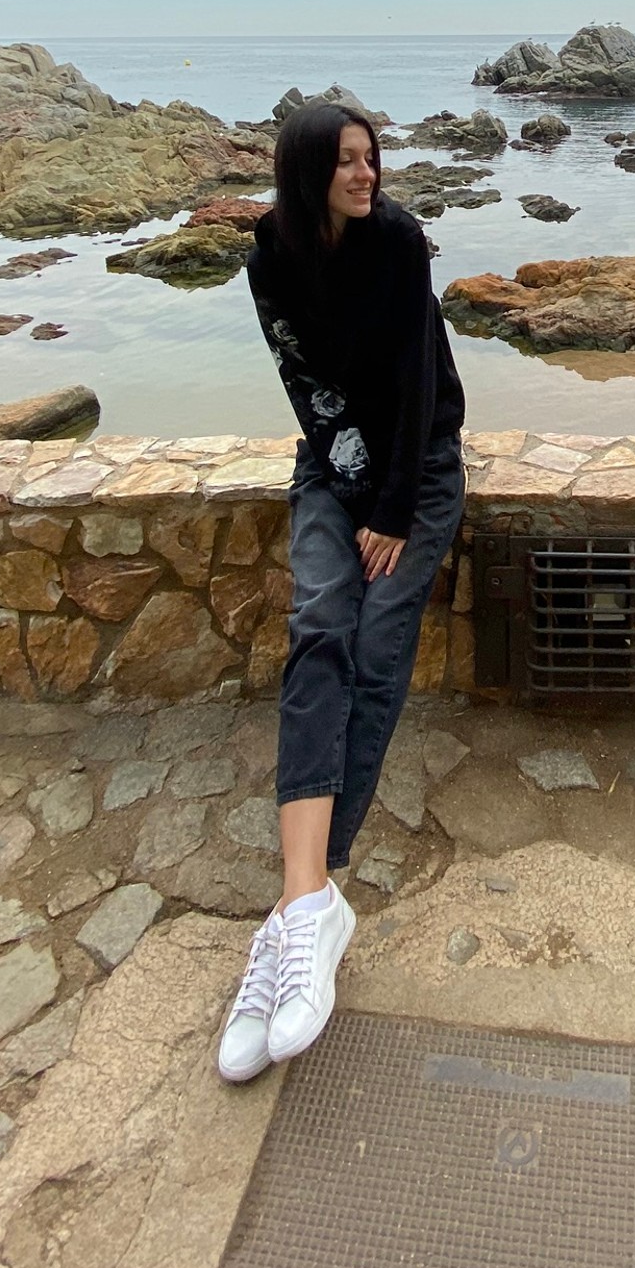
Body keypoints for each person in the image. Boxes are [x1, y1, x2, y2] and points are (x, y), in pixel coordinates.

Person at [217, 101, 466, 1082]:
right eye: (348, 163)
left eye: (372, 160)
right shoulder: (269, 257)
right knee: (319, 622)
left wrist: (394, 512)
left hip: (418, 472)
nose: (367, 177)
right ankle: (309, 908)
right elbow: (303, 385)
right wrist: (350, 484)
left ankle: (296, 914)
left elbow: (414, 388)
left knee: (375, 648)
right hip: (331, 465)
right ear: (307, 171)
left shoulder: (400, 242)